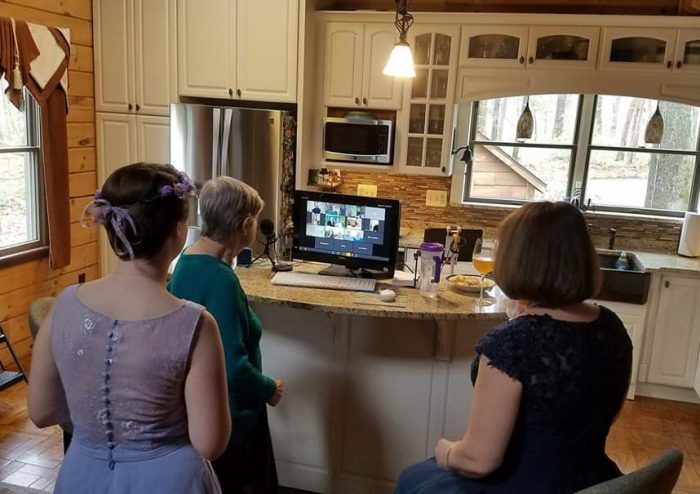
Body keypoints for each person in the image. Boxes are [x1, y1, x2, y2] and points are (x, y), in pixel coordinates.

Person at [395, 201, 632, 493]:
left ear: (517, 259)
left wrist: (446, 451)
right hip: (592, 479)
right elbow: (600, 412)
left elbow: (478, 461)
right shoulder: (611, 325)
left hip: (525, 484)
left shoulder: (511, 343)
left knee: (413, 479)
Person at [27, 163, 230, 493]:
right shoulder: (195, 324)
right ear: (178, 232)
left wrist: (97, 421)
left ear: (110, 227)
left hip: (83, 475)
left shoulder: (63, 305)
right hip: (170, 481)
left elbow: (41, 411)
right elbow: (209, 442)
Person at [168, 176, 284, 494]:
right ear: (246, 224)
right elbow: (232, 366)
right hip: (232, 418)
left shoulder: (185, 261)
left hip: (197, 409)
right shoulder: (222, 280)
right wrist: (268, 388)